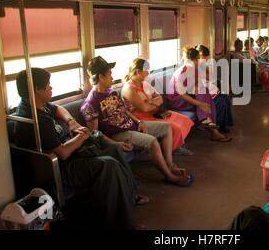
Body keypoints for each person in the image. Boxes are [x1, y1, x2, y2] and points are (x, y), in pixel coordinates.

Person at [13, 68, 141, 230]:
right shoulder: (37, 121)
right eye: (47, 86)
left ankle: (129, 197)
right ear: (37, 90)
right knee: (109, 165)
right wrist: (81, 136)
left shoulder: (38, 105)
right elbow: (63, 153)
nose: (51, 89)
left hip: (74, 155)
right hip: (61, 168)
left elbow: (58, 108)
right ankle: (119, 223)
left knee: (114, 150)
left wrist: (71, 121)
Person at [80, 56, 195, 187]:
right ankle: (169, 176)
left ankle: (169, 166)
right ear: (101, 77)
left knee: (167, 128)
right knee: (152, 142)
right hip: (119, 134)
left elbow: (124, 111)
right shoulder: (90, 104)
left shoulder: (110, 93)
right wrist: (114, 143)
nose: (112, 77)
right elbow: (94, 132)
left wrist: (139, 121)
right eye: (109, 74)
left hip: (132, 124)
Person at [121, 58, 194, 155]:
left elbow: (160, 99)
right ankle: (172, 149)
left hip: (154, 113)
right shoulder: (129, 89)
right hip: (141, 118)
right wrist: (154, 104)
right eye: (146, 71)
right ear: (138, 72)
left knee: (184, 119)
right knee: (175, 127)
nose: (148, 73)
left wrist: (150, 101)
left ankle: (176, 146)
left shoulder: (145, 84)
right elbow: (144, 108)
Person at [167, 48, 231, 142]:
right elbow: (182, 95)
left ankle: (209, 123)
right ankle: (211, 127)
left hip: (187, 96)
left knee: (205, 92)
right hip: (176, 100)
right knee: (203, 97)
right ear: (193, 59)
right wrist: (199, 103)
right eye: (198, 59)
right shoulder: (183, 71)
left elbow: (199, 85)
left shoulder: (194, 69)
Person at [197, 45, 234, 133]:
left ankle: (227, 122)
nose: (205, 60)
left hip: (210, 89)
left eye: (205, 58)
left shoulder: (202, 66)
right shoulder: (192, 67)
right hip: (203, 93)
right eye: (203, 57)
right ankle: (220, 125)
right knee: (221, 101)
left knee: (225, 98)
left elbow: (209, 78)